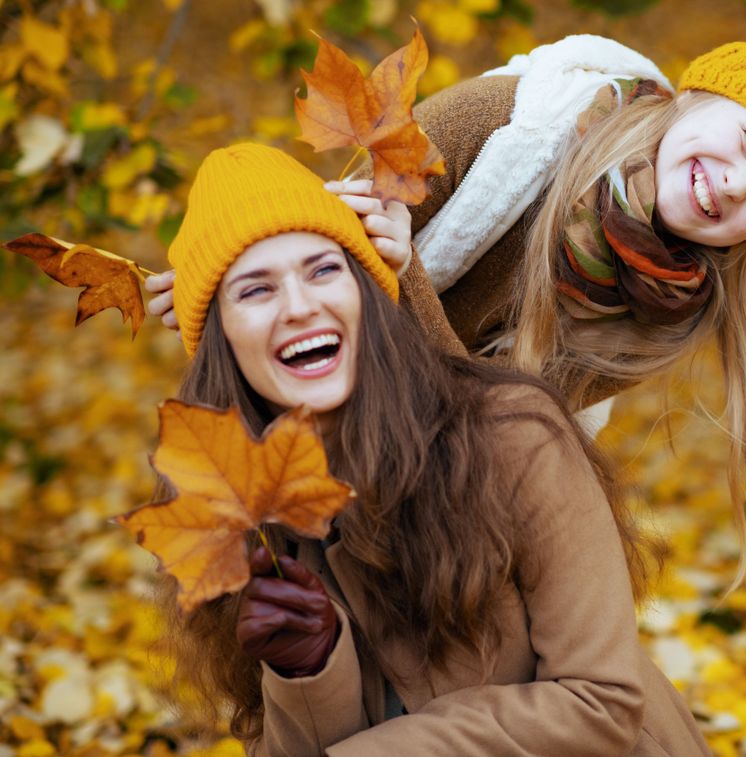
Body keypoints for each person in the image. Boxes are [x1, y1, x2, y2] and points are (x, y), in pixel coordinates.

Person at [148, 36, 746, 589]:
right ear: (693, 99)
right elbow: (326, 236)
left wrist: (410, 280)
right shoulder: (512, 123)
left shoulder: (660, 308)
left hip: (433, 466)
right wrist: (228, 259)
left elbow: (492, 427)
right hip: (321, 393)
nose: (737, 183)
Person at [155, 142, 712, 756]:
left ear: (368, 291)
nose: (299, 306)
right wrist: (308, 671)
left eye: (323, 270)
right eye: (255, 291)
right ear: (221, 340)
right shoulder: (251, 519)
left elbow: (599, 702)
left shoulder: (509, 434)